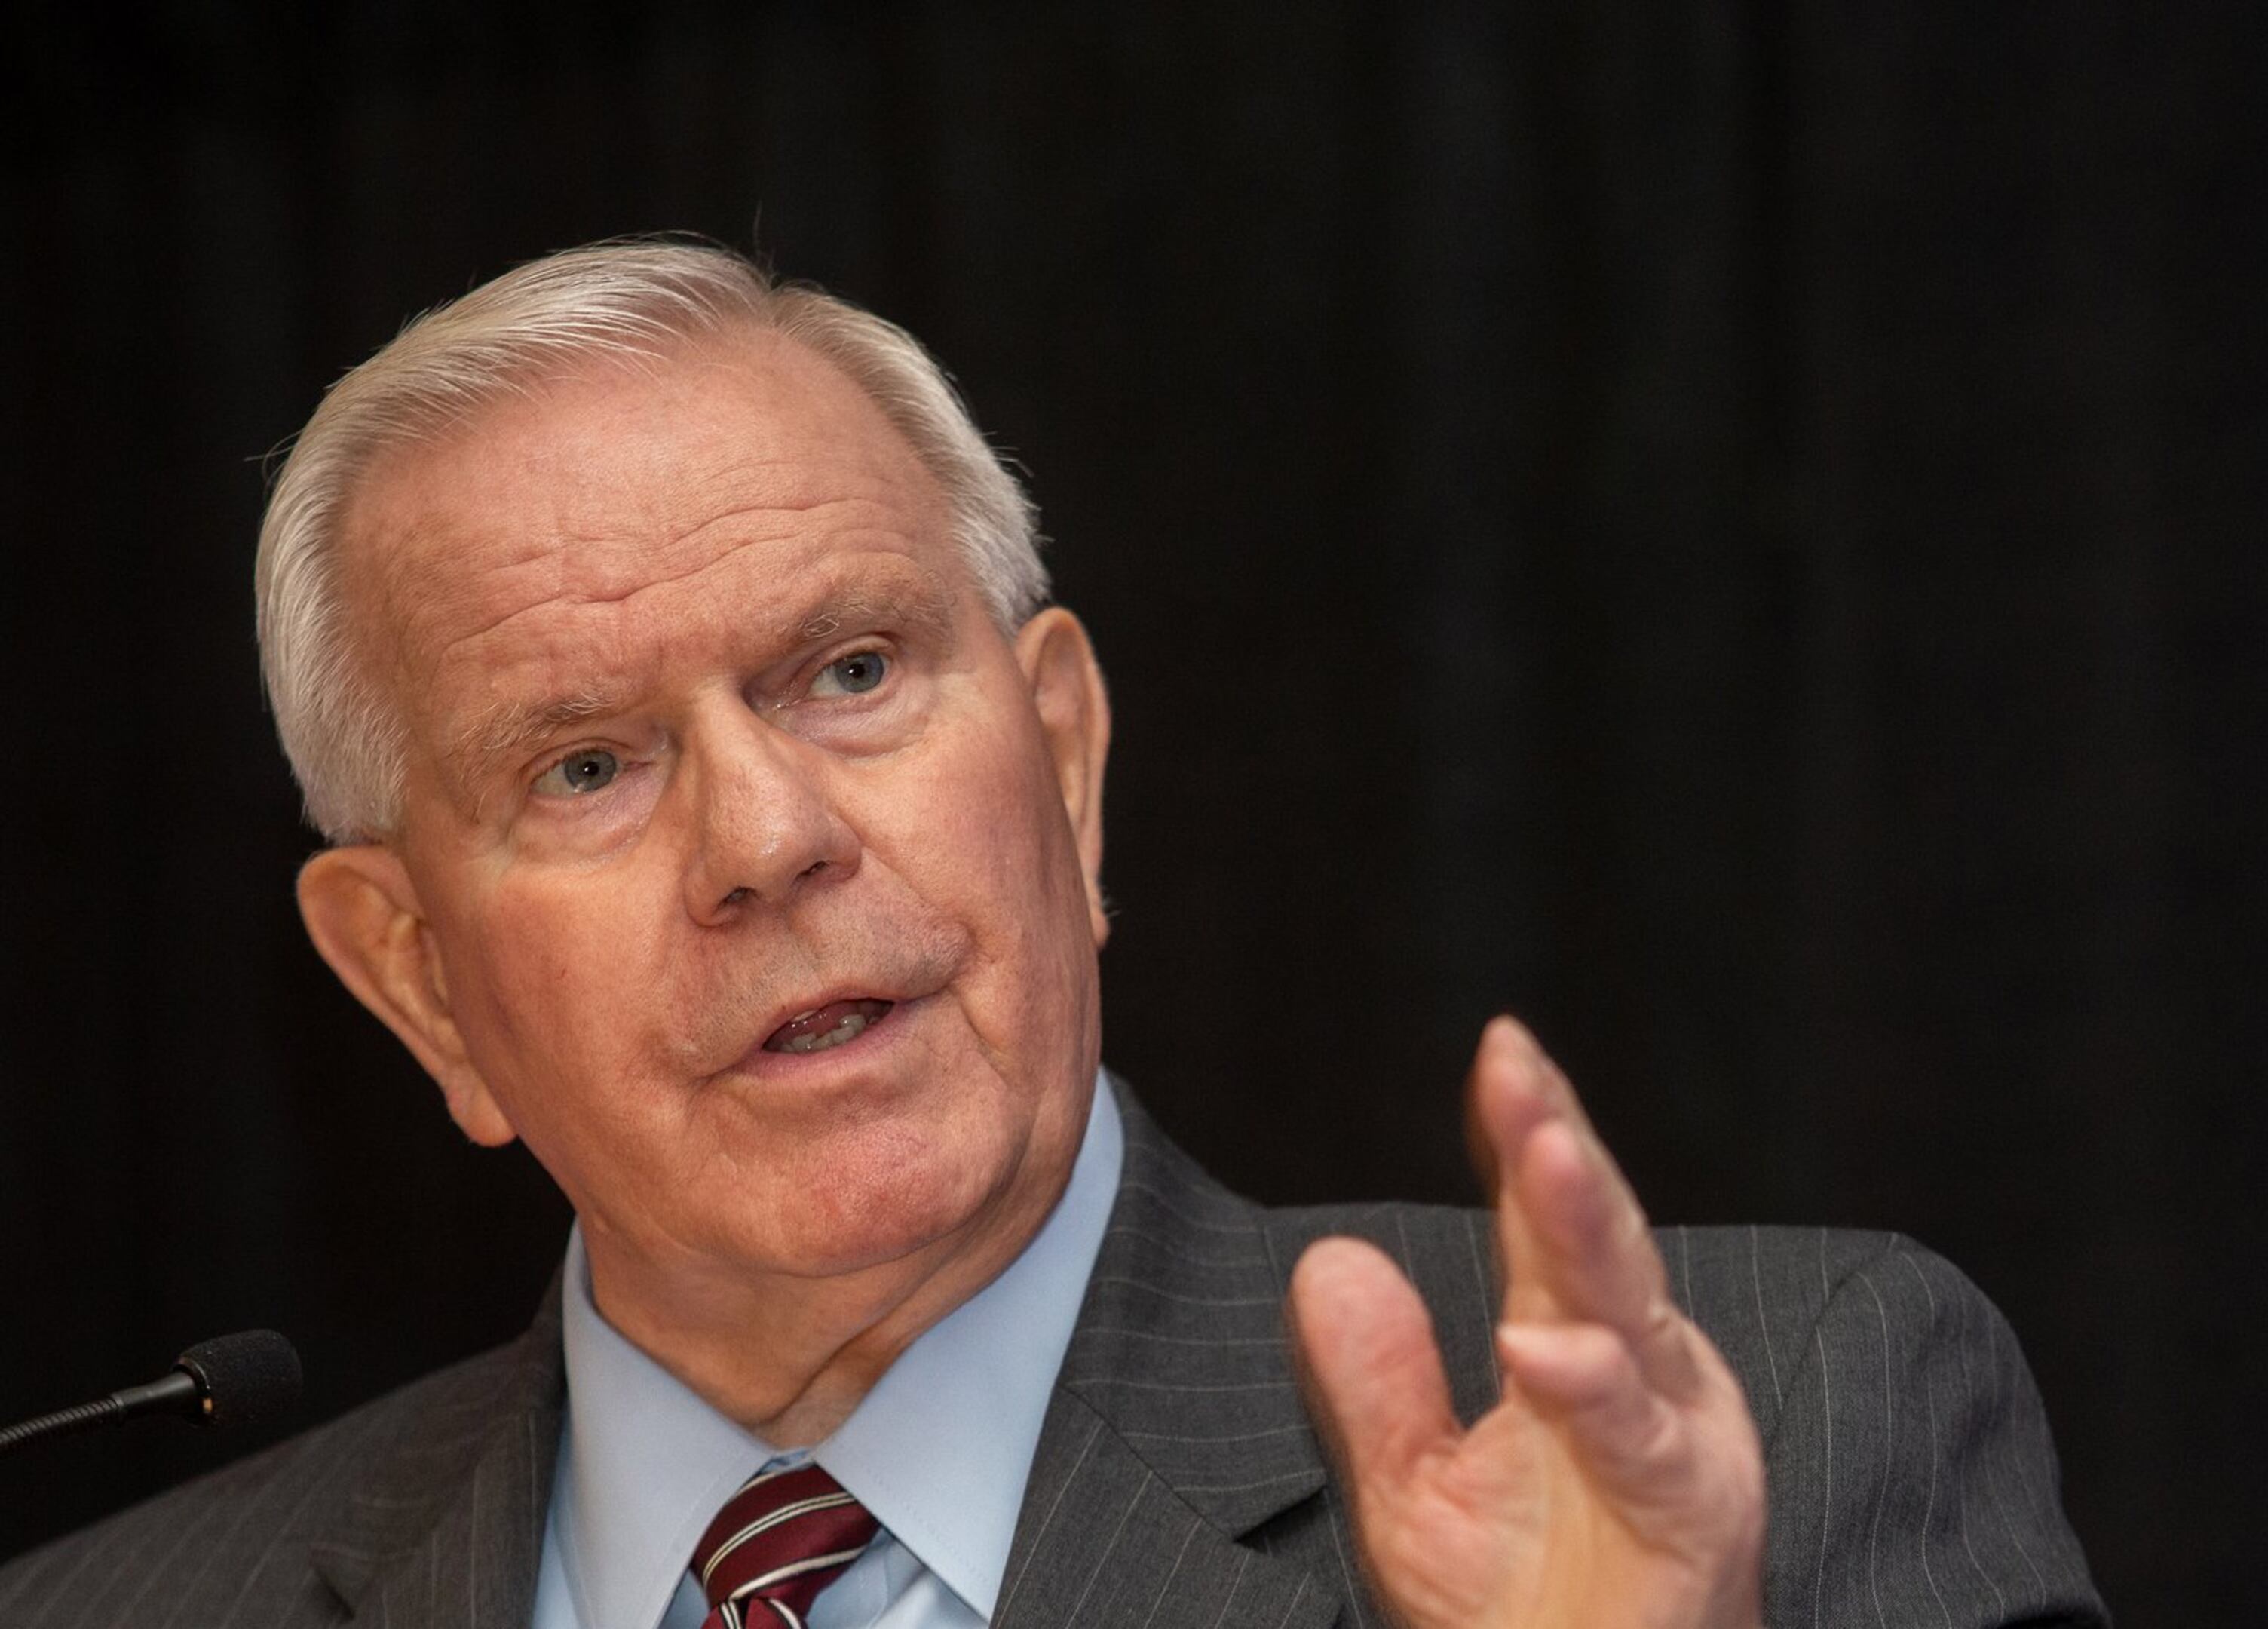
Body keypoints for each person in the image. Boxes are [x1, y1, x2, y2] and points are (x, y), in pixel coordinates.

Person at [0, 240, 2104, 1628]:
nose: (768, 839)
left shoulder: (1794, 1426)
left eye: (846, 672)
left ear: (1069, 773)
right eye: (585, 770)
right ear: (417, 979)